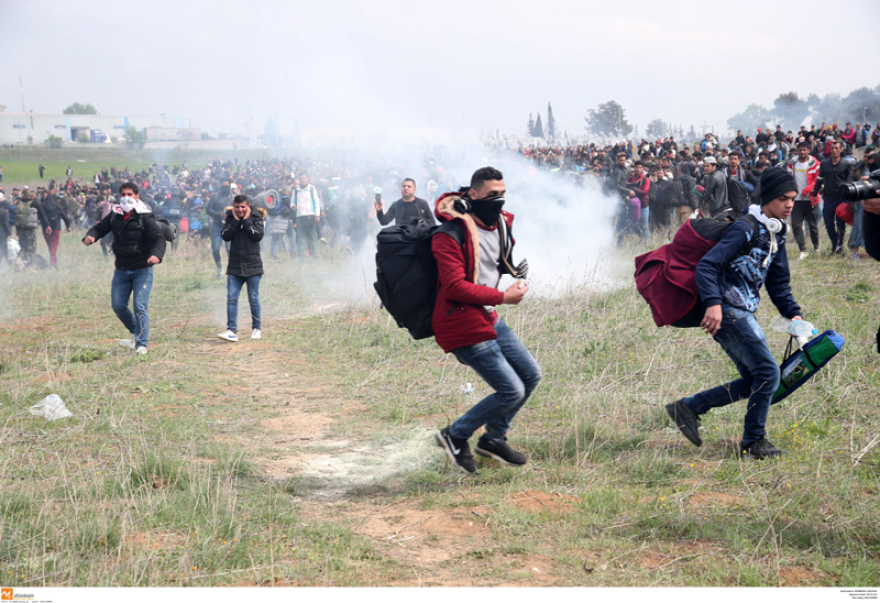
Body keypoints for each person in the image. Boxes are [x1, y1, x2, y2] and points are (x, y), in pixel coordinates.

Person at [666, 167, 804, 460]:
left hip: (742, 311)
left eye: (793, 198)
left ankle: (689, 407)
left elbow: (778, 283)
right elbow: (707, 265)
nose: (789, 204)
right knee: (768, 373)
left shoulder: (776, 232)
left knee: (757, 378)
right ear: (767, 198)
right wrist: (714, 303)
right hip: (729, 310)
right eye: (782, 198)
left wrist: (794, 314)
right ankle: (754, 441)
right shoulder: (746, 227)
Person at [432, 166, 540, 474]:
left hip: (487, 316)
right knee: (512, 391)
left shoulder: (500, 226)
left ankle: (493, 440)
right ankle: (455, 435)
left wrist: (512, 283)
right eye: (492, 195)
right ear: (473, 194)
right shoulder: (449, 234)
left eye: (503, 194)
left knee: (531, 375)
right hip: (461, 322)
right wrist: (503, 297)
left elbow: (494, 266)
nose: (499, 201)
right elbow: (454, 286)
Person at [83, 183, 165, 355]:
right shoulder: (115, 214)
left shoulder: (145, 216)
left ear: (137, 196)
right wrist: (91, 235)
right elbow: (100, 228)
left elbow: (158, 239)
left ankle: (141, 344)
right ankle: (137, 332)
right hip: (121, 268)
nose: (126, 197)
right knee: (118, 305)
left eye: (129, 194)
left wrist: (156, 255)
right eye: (123, 194)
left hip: (142, 268)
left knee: (140, 306)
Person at [217, 195, 265, 342]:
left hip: (253, 265)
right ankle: (232, 331)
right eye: (237, 207)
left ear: (248, 206)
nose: (240, 210)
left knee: (253, 298)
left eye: (243, 207)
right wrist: (236, 222)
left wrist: (246, 221)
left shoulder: (257, 217)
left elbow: (257, 236)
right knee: (231, 298)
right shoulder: (231, 218)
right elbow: (225, 236)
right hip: (235, 266)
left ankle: (256, 329)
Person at [813, 141, 854, 255]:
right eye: (832, 148)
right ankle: (835, 244)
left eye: (836, 148)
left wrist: (851, 196)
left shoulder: (846, 164)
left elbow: (851, 181)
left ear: (841, 150)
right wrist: (815, 193)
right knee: (829, 224)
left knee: (841, 224)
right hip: (829, 198)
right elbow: (819, 179)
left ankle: (839, 248)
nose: (834, 150)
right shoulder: (824, 164)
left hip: (842, 199)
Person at [786, 142, 822, 259]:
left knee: (812, 226)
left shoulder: (815, 163)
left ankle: (816, 248)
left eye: (804, 150)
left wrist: (806, 190)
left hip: (810, 199)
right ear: (797, 151)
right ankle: (803, 250)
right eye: (800, 150)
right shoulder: (792, 164)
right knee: (796, 225)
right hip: (796, 201)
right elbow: (788, 179)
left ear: (808, 151)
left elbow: (818, 180)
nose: (802, 152)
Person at [36, 188, 71, 268]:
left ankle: (54, 263)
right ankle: (52, 265)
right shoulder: (57, 205)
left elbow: (38, 217)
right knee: (53, 247)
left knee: (50, 246)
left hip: (45, 229)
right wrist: (68, 226)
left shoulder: (42, 205)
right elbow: (65, 216)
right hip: (56, 228)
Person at [292, 173, 322, 259]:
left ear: (307, 179)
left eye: (304, 178)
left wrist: (317, 215)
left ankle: (315, 256)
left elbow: (316, 202)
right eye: (301, 178)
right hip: (300, 216)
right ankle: (302, 258)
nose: (302, 180)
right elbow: (292, 202)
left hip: (310, 216)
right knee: (301, 238)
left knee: (313, 237)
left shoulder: (312, 189)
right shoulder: (296, 190)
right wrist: (293, 206)